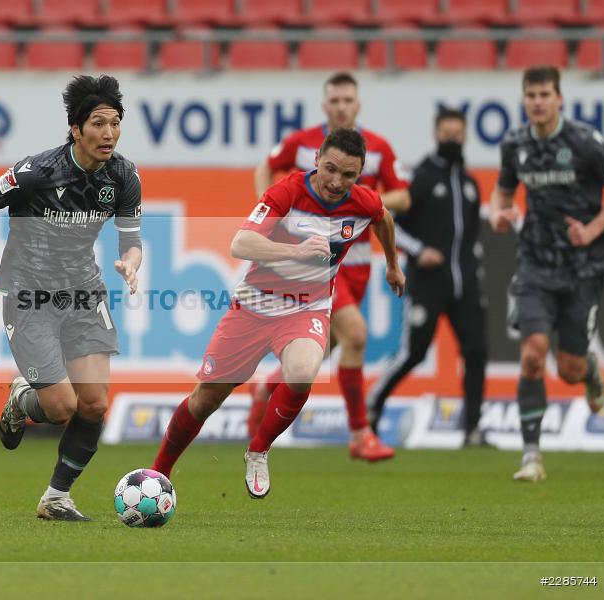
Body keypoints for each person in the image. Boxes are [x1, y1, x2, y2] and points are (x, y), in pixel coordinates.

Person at [151, 129, 405, 498]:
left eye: (348, 175)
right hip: (255, 305)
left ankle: (258, 449)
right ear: (317, 158)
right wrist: (295, 252)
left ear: (360, 174)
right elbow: (241, 243)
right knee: (205, 399)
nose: (336, 182)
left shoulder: (363, 201)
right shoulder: (286, 192)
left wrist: (393, 265)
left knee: (302, 372)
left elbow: (383, 217)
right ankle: (159, 472)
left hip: (308, 307)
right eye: (330, 168)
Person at [0, 75, 143, 519]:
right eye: (98, 123)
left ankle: (56, 497)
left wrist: (132, 262)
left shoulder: (123, 176)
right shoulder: (38, 171)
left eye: (115, 123)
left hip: (84, 294)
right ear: (75, 130)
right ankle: (22, 398)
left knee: (95, 402)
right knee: (62, 408)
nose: (109, 133)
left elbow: (130, 239)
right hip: (29, 295)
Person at [247, 72, 410, 462]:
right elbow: (264, 169)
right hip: (317, 262)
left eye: (347, 100)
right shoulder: (302, 143)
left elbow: (401, 196)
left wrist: (364, 202)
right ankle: (360, 434)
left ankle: (268, 388)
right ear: (325, 105)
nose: (341, 106)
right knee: (355, 334)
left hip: (356, 264)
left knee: (329, 346)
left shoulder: (379, 149)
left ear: (358, 105)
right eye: (334, 100)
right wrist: (270, 215)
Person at [489, 65, 604, 482]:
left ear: (560, 98)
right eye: (531, 94)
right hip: (536, 264)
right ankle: (531, 456)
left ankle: (590, 371)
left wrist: (594, 229)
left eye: (545, 94)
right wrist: (498, 214)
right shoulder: (515, 143)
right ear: (524, 99)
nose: (537, 101)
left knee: (570, 370)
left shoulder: (584, 142)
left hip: (584, 268)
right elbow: (503, 190)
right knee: (532, 354)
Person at [367, 108, 491, 447]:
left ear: (464, 135)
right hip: (428, 282)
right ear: (436, 134)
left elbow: (471, 238)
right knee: (414, 352)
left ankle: (473, 429)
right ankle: (372, 406)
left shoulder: (469, 184)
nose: (452, 137)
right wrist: (418, 250)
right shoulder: (421, 177)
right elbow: (388, 217)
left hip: (464, 284)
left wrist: (474, 272)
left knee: (477, 350)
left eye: (457, 132)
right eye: (446, 132)